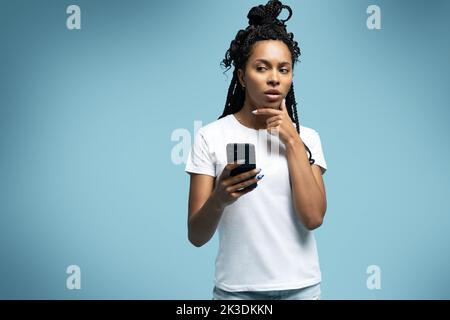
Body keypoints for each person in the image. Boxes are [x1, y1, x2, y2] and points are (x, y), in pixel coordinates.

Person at [185, 0, 327, 300]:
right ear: (241, 75)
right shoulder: (211, 136)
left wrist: (291, 141)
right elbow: (196, 236)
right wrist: (219, 198)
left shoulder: (308, 138)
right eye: (261, 68)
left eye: (284, 69)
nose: (274, 77)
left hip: (302, 290)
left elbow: (313, 217)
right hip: (237, 294)